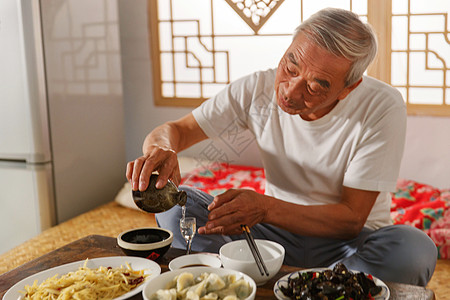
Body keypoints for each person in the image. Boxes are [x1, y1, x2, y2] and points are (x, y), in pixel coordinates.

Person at [126, 8, 437, 286]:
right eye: (291, 66)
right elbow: (177, 131)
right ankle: (322, 285)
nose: (290, 90)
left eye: (315, 86)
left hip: (349, 242)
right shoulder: (256, 89)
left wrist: (265, 207)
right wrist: (161, 149)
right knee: (178, 206)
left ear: (349, 88)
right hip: (266, 235)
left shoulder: (381, 105)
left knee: (414, 249)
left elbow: (351, 218)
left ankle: (278, 279)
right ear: (288, 49)